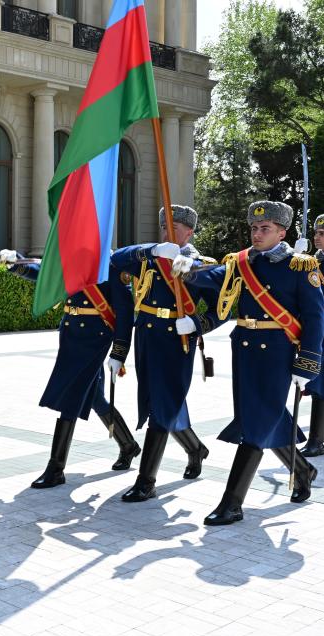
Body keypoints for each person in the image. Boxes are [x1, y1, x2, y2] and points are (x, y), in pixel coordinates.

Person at [179, 201, 324, 524]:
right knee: (263, 417)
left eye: (265, 229)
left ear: (282, 233)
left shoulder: (300, 266)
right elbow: (213, 277)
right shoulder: (242, 262)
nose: (257, 234)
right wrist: (187, 267)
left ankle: (232, 504)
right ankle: (303, 470)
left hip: (277, 354)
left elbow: (315, 320)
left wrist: (307, 364)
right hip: (245, 351)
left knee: (255, 426)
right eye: (254, 228)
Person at [110, 205, 225, 502]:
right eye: (164, 227)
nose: (167, 232)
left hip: (177, 339)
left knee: (162, 406)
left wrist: (198, 324)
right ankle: (195, 449)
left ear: (190, 232)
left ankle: (146, 480)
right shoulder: (151, 258)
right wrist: (152, 249)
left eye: (174, 228)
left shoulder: (202, 265)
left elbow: (222, 308)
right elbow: (116, 259)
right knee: (160, 401)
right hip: (147, 336)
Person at [0, 249, 140, 486]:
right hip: (71, 334)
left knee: (71, 397)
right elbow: (47, 275)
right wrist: (18, 263)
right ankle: (128, 444)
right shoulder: (74, 259)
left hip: (94, 338)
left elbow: (125, 312)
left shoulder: (111, 265)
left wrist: (119, 352)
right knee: (94, 397)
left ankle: (56, 468)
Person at [300, 213, 324, 457]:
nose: (317, 237)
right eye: (316, 233)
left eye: (322, 234)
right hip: (318, 333)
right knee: (318, 385)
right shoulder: (311, 262)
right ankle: (316, 441)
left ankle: (317, 441)